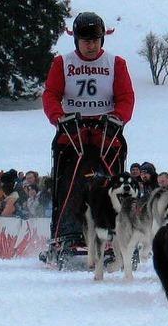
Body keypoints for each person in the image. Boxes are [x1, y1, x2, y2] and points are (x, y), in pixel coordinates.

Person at [42, 12, 135, 241]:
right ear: (77, 41)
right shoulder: (62, 63)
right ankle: (68, 231)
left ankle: (115, 230)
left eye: (95, 40)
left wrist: (118, 117)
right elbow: (51, 94)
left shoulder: (116, 63)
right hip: (72, 134)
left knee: (110, 184)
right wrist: (59, 117)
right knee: (71, 182)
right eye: (86, 41)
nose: (91, 45)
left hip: (106, 134)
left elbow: (126, 97)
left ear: (102, 40)